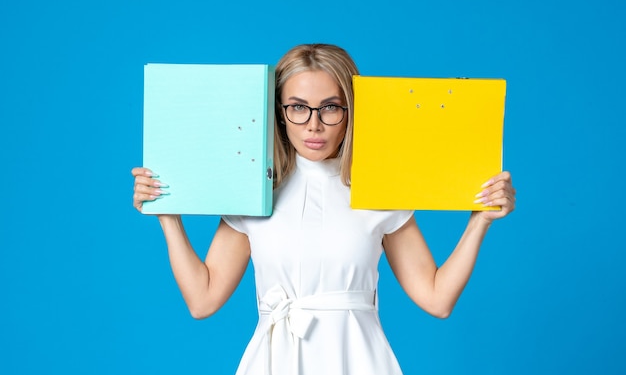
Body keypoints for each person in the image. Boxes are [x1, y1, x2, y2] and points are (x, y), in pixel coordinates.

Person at [132, 44, 516, 375]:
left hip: (358, 360)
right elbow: (203, 300)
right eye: (298, 107)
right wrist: (168, 214)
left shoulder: (381, 191)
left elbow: (437, 299)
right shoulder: (253, 192)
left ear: (351, 111)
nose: (314, 125)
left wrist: (479, 222)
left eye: (330, 107)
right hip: (273, 361)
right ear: (279, 112)